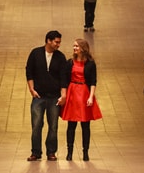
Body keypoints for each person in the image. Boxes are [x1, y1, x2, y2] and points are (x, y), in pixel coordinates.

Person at [25, 30, 67, 161]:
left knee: (53, 126)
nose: (58, 45)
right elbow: (29, 72)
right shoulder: (35, 53)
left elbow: (64, 78)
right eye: (56, 42)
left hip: (54, 97)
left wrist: (63, 95)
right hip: (39, 96)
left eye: (59, 42)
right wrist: (32, 89)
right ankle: (36, 152)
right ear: (48, 41)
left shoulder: (60, 57)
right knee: (36, 124)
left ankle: (51, 152)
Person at [60, 38, 102, 161]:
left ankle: (85, 152)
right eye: (74, 46)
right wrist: (64, 94)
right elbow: (65, 80)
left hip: (84, 92)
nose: (74, 48)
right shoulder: (70, 62)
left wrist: (91, 97)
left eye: (77, 46)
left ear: (83, 48)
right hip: (72, 92)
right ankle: (69, 151)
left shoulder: (90, 63)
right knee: (71, 125)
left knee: (85, 125)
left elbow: (93, 81)